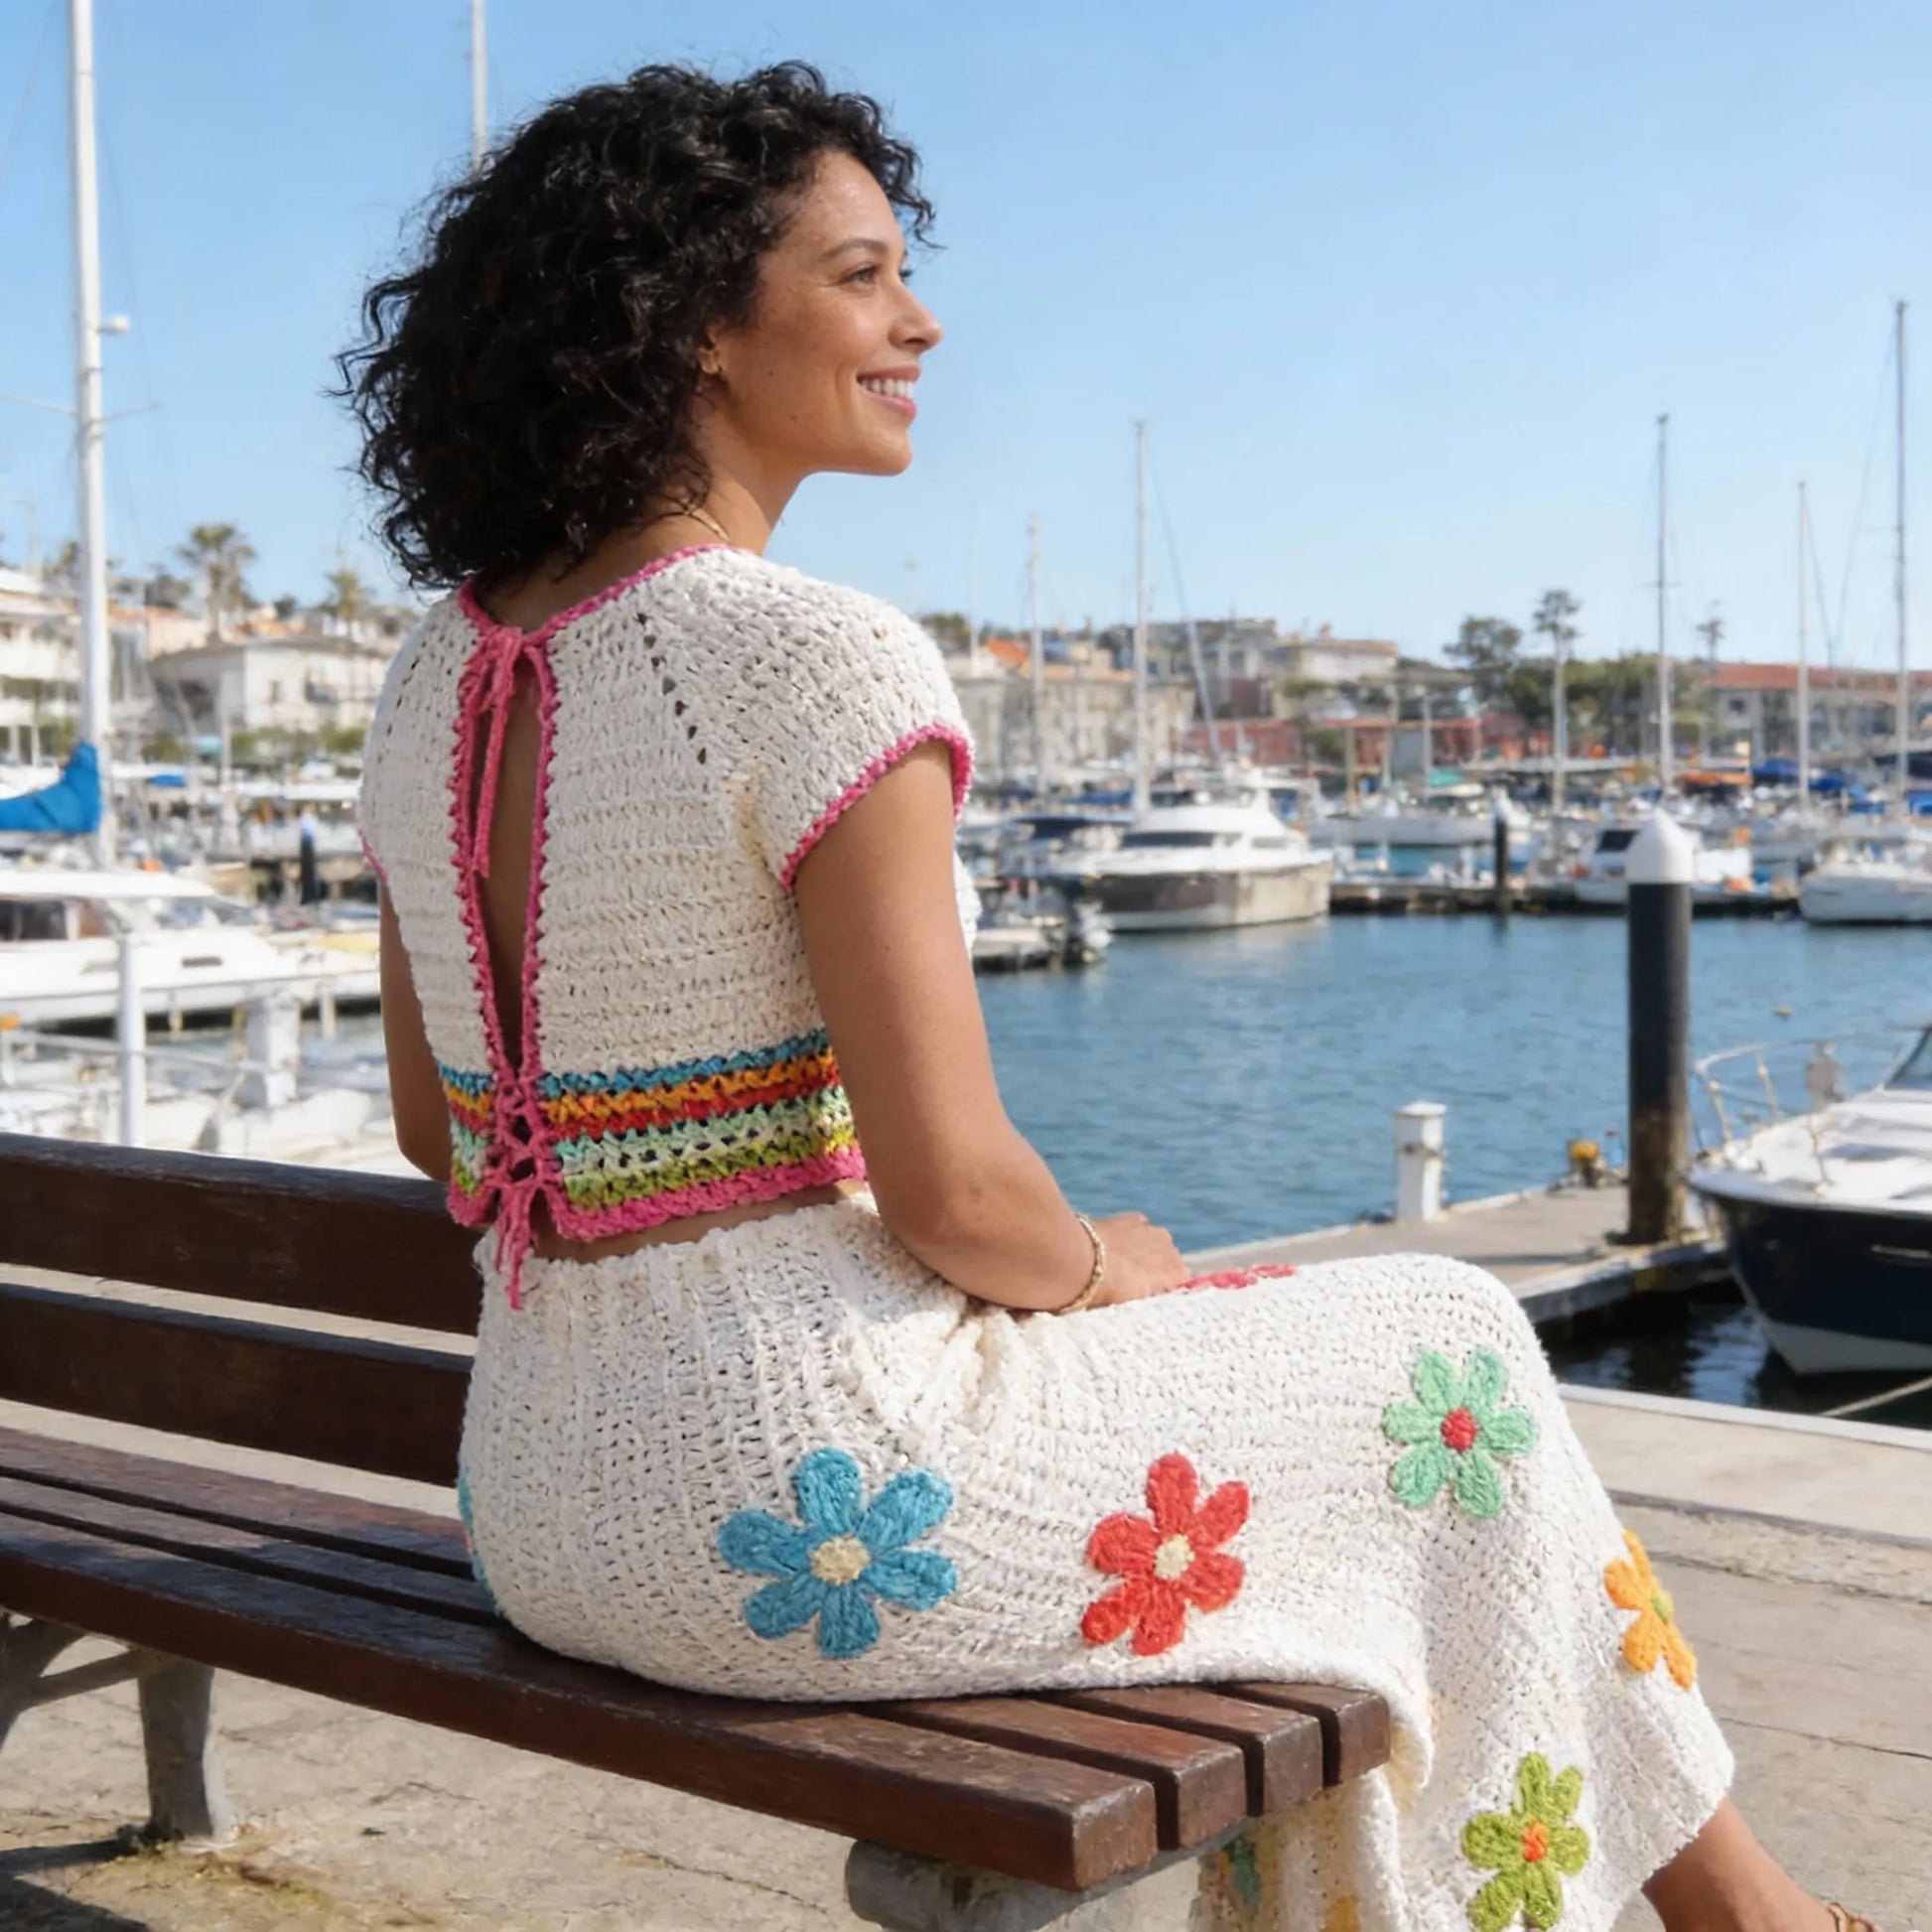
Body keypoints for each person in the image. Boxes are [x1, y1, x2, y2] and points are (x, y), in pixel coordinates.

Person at [345, 62, 1872, 1932]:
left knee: (1368, 1483)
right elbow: (958, 1202)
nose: (918, 319)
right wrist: (1107, 1268)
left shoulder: (436, 672)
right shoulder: (806, 656)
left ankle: (1750, 1920)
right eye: (860, 274)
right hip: (796, 1512)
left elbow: (445, 1136)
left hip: (542, 1509)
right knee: (1450, 1357)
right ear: (695, 332)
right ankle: (1749, 1922)